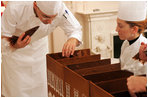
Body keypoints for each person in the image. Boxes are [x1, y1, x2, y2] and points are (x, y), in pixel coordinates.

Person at [1, 1, 82, 97]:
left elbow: (75, 29)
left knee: (41, 91)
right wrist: (15, 45)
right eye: (46, 16)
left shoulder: (60, 9)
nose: (50, 21)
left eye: (54, 17)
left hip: (40, 53)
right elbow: (3, 37)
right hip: (16, 57)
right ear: (35, 5)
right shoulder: (15, 7)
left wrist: (72, 39)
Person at [116, 1, 147, 76]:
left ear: (134, 29)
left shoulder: (145, 49)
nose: (116, 29)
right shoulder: (126, 43)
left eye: (120, 26)